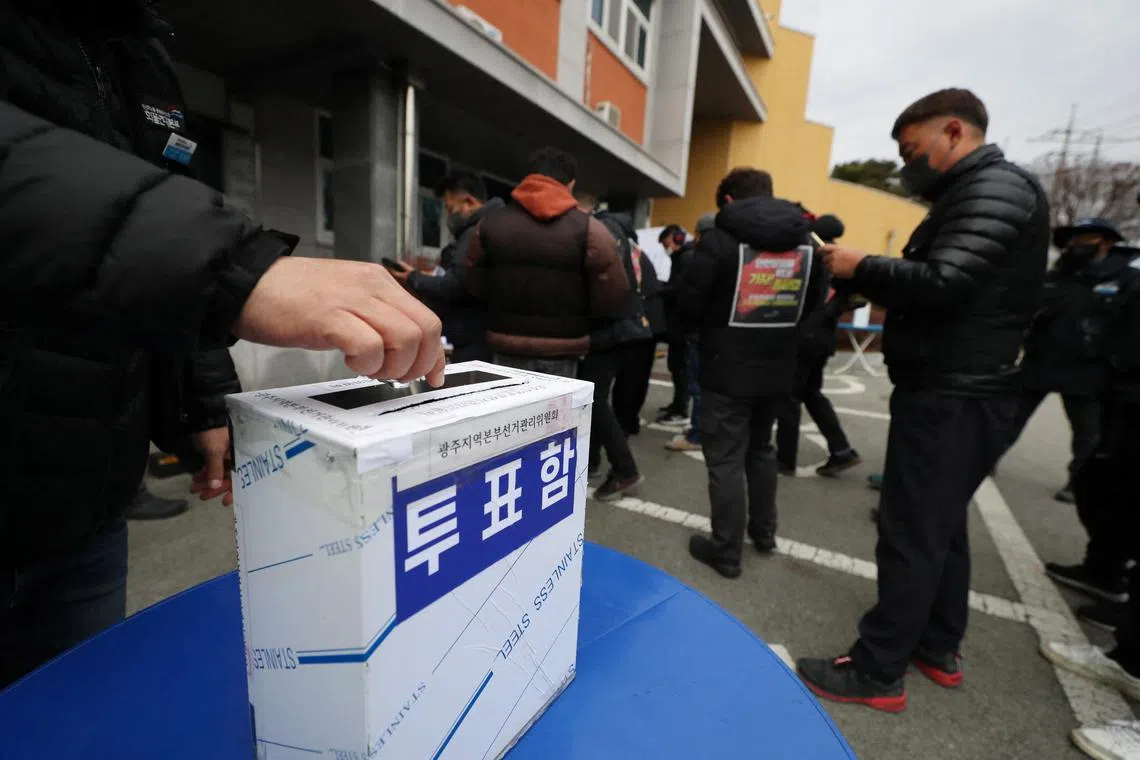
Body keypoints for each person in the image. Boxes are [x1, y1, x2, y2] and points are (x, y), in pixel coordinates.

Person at [0, 0, 444, 687]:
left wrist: (205, 402)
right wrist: (236, 270)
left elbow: (142, 279)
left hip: (87, 504)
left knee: (79, 716)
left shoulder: (141, 56)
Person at [797, 89, 1049, 711]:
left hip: (953, 391)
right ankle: (936, 645)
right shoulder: (983, 191)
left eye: (914, 150)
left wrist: (863, 265)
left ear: (954, 131)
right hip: (961, 387)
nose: (909, 164)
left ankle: (878, 668)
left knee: (910, 528)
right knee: (942, 526)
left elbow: (944, 281)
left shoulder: (992, 190)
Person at [678, 169, 816, 579]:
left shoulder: (719, 242)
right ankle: (764, 533)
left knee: (724, 459)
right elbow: (814, 304)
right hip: (779, 369)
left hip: (725, 370)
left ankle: (725, 551)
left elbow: (689, 305)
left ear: (728, 201)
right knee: (761, 449)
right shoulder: (805, 243)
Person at [1039, 247, 1140, 759]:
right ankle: (1131, 658)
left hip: (1117, 388)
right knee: (1114, 493)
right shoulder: (1116, 276)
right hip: (1126, 397)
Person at [463, 147, 629, 378]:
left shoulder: (489, 224)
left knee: (508, 411)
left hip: (505, 342)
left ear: (529, 178)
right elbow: (614, 293)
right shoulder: (590, 229)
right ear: (570, 184)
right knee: (556, 413)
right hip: (563, 347)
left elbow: (473, 282)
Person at [1009, 218, 1129, 504]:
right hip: (1041, 360)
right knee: (1005, 419)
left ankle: (1080, 483)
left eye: (1085, 238)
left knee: (1088, 435)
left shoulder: (1122, 277)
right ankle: (981, 462)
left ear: (1106, 242)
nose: (1077, 244)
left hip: (1087, 369)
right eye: (1074, 239)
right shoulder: (1060, 272)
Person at [775, 212, 862, 477]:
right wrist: (832, 311)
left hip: (804, 338)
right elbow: (857, 297)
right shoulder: (839, 257)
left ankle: (784, 460)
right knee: (812, 394)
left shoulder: (811, 255)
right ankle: (841, 450)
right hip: (823, 339)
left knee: (790, 397)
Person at [573, 195, 648, 501]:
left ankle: (624, 469)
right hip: (629, 328)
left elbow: (605, 287)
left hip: (607, 330)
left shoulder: (600, 232)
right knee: (599, 398)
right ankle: (592, 461)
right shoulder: (624, 235)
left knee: (595, 401)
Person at [393, 171, 503, 363]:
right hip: (485, 336)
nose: (448, 216)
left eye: (450, 208)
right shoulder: (495, 226)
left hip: (474, 341)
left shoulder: (474, 234)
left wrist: (413, 277)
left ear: (468, 203)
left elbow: (455, 287)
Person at [665, 213, 716, 453]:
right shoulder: (724, 255)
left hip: (699, 332)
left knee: (698, 386)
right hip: (711, 333)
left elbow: (690, 297)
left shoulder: (702, 259)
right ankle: (701, 429)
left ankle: (697, 436)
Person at [612, 240, 667, 437]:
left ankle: (623, 425)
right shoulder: (640, 254)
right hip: (649, 326)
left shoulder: (626, 256)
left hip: (635, 326)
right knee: (639, 379)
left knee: (627, 381)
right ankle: (630, 421)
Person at [657, 224, 695, 425]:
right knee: (676, 367)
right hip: (678, 327)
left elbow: (679, 289)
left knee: (682, 370)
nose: (666, 248)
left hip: (683, 327)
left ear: (678, 238)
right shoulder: (680, 258)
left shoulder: (687, 259)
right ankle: (677, 404)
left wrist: (661, 289)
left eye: (667, 243)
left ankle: (681, 409)